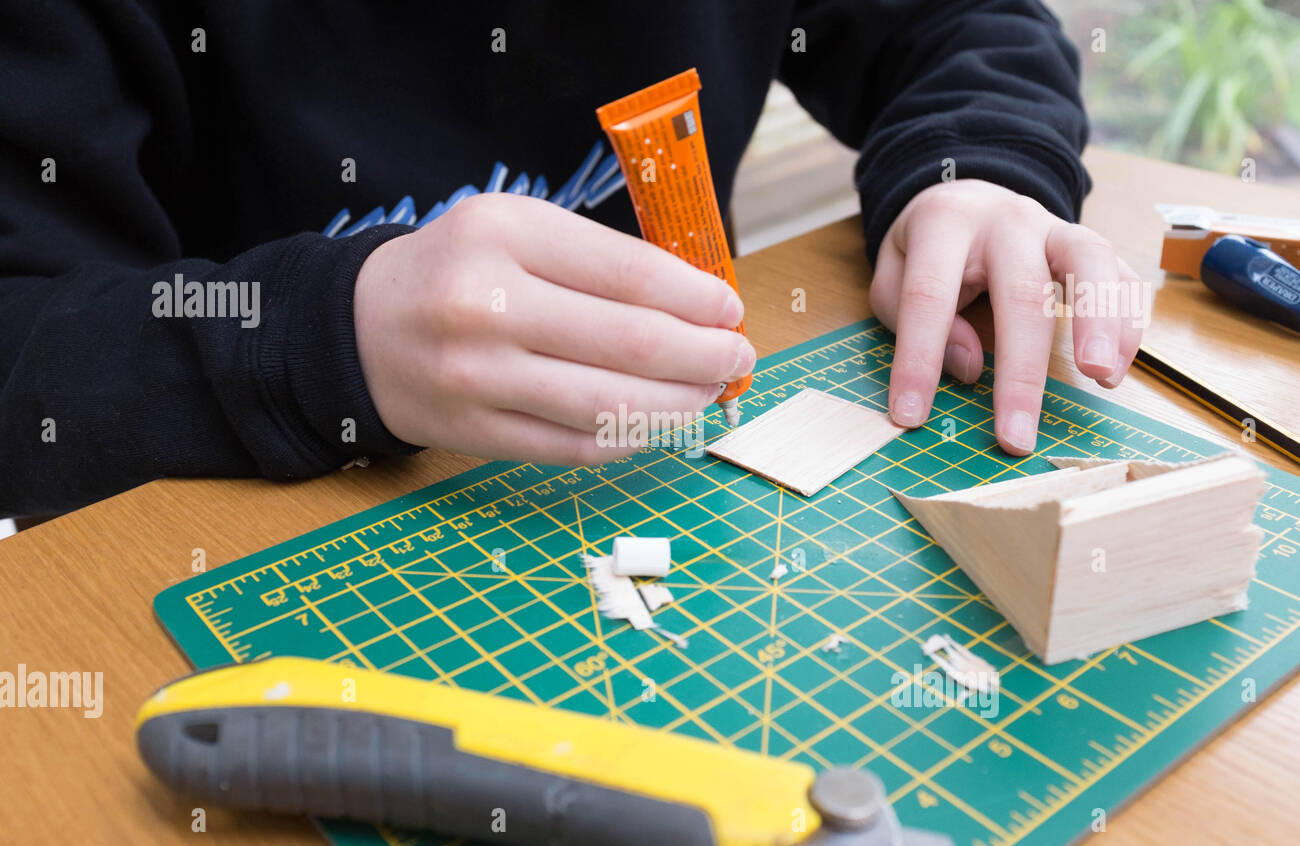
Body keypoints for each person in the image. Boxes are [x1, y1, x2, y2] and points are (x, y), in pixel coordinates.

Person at [0, 1, 1140, 518]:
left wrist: (979, 167)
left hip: (683, 496)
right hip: (247, 537)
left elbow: (962, 24)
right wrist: (323, 340)